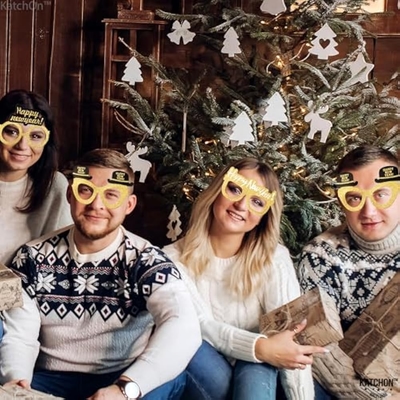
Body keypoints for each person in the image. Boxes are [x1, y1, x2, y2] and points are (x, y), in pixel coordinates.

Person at [0, 148, 201, 400]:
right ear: (70, 195)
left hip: (121, 376)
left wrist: (125, 388)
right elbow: (19, 333)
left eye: (111, 195)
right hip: (51, 377)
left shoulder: (147, 260)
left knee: (166, 380)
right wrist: (17, 379)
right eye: (85, 190)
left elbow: (184, 324)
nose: (97, 205)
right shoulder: (29, 257)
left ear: (129, 205)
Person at [164, 158, 328, 400]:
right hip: (208, 374)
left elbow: (290, 338)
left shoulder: (275, 258)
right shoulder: (171, 258)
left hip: (260, 372)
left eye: (257, 201)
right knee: (187, 340)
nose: (241, 205)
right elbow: (200, 325)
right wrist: (259, 348)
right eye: (234, 189)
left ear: (264, 216)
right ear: (217, 191)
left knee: (254, 365)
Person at [297, 145, 400, 399]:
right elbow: (321, 351)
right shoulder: (320, 256)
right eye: (354, 198)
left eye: (381, 195)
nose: (368, 211)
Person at [0, 89, 72, 266]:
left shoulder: (54, 186)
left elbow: (61, 260)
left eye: (36, 136)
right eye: (12, 131)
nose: (22, 145)